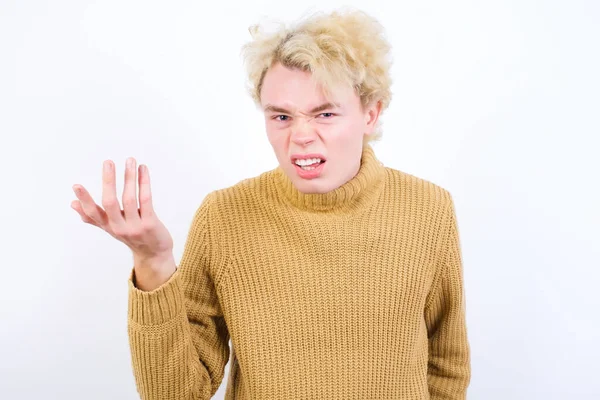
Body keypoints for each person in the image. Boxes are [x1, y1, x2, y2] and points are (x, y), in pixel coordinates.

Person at [71, 7, 471, 400]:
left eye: (325, 113)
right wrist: (153, 261)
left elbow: (447, 368)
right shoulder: (224, 217)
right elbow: (176, 394)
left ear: (371, 113)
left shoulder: (428, 209)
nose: (301, 135)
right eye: (281, 117)